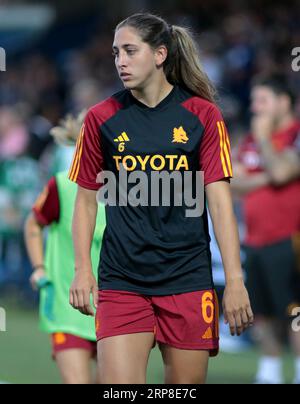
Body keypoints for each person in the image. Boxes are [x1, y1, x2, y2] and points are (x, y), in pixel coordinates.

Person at [68, 13, 253, 384]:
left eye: (130, 51)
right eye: (116, 52)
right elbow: (86, 201)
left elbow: (220, 203)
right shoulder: (100, 118)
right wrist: (82, 268)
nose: (120, 61)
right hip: (122, 281)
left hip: (187, 278)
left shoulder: (203, 116)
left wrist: (234, 280)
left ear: (160, 54)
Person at [24, 112, 106, 384]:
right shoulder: (63, 185)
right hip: (67, 307)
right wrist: (39, 267)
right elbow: (33, 225)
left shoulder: (132, 191)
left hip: (114, 310)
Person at [232, 74, 300, 384]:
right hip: (255, 240)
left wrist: (263, 142)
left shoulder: (295, 134)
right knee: (263, 312)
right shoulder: (249, 139)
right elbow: (232, 182)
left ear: (283, 103)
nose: (254, 107)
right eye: (253, 100)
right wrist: (267, 177)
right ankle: (270, 373)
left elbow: (284, 169)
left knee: (294, 312)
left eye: (262, 100)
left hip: (290, 238)